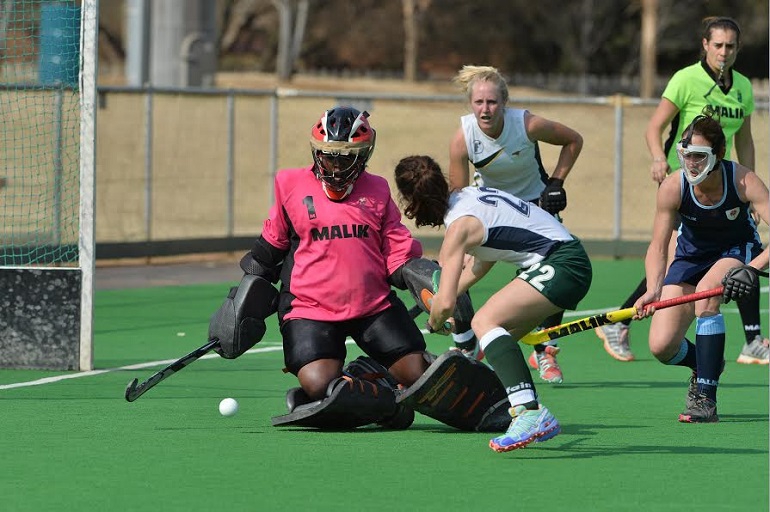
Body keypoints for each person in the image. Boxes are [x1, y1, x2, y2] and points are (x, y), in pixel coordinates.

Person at [208, 106, 509, 432]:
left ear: (364, 155)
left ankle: (374, 379)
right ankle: (387, 401)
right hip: (309, 309)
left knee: (418, 374)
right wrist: (240, 306)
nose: (336, 165)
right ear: (317, 152)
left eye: (346, 157)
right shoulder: (290, 186)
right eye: (329, 156)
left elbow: (398, 255)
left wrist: (434, 285)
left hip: (373, 307)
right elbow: (268, 252)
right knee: (319, 383)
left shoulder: (378, 190)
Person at [596, 16, 767, 365]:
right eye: (717, 45)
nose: (723, 52)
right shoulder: (685, 79)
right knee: (676, 260)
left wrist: (749, 186)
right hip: (683, 187)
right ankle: (625, 318)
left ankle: (750, 340)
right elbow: (655, 127)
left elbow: (744, 141)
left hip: (721, 186)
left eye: (730, 46)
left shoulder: (743, 88)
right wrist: (660, 158)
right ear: (705, 45)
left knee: (732, 252)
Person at [394, 154, 592, 451]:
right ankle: (517, 407)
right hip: (567, 259)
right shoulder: (470, 198)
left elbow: (446, 303)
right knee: (499, 340)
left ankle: (532, 413)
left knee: (484, 321)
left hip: (562, 263)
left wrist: (435, 320)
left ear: (412, 202)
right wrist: (441, 303)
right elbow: (482, 262)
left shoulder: (458, 227)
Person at [448, 64, 584, 384]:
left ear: (504, 103)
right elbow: (459, 194)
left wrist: (556, 182)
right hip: (494, 216)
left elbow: (573, 141)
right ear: (470, 104)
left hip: (537, 210)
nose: (485, 109)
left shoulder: (526, 124)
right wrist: (466, 237)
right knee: (463, 277)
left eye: (492, 102)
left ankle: (544, 349)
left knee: (552, 275)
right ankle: (463, 343)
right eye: (479, 102)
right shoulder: (463, 138)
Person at [633, 114, 769, 423]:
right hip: (690, 257)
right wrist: (653, 288)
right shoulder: (672, 187)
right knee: (662, 346)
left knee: (707, 295)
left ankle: (705, 397)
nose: (691, 163)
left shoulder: (742, 180)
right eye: (686, 155)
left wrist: (753, 268)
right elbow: (657, 246)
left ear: (719, 154)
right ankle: (707, 363)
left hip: (734, 251)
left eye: (699, 156)